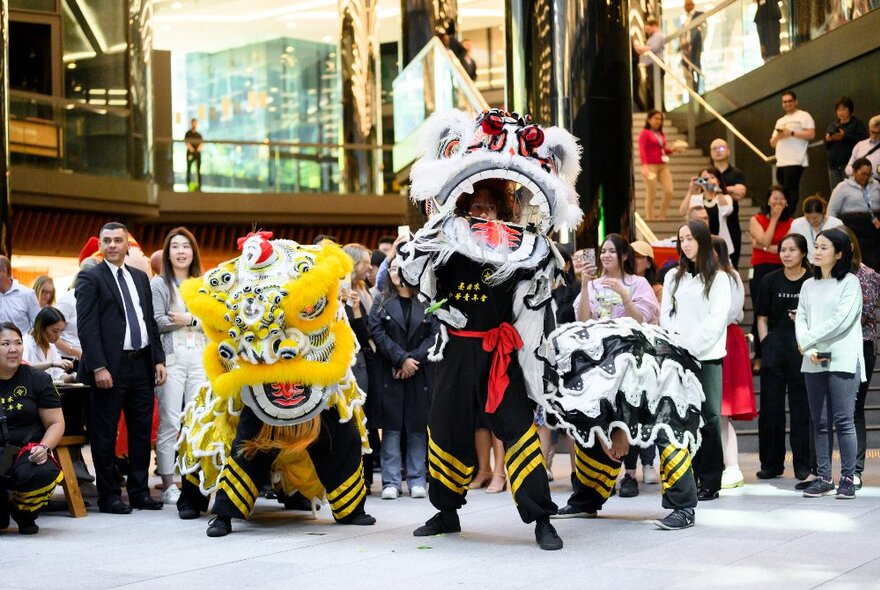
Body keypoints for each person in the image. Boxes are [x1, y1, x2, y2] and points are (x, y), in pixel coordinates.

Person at [76, 221, 167, 514]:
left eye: (118, 240)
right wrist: (99, 367)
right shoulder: (91, 278)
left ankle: (140, 492)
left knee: (141, 433)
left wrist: (158, 359)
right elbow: (87, 328)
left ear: (128, 244)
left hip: (141, 365)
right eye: (107, 240)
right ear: (101, 246)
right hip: (108, 370)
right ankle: (109, 496)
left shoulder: (141, 278)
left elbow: (149, 323)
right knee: (104, 434)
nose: (113, 245)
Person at [573, 234, 660, 498]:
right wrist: (586, 285)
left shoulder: (638, 283)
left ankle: (630, 474)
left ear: (624, 256)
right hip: (599, 356)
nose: (606, 256)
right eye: (602, 251)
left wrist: (624, 296)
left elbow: (642, 320)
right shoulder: (594, 284)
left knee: (626, 413)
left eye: (612, 251)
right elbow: (583, 320)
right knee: (598, 414)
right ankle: (602, 475)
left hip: (629, 355)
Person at [660, 220, 730, 502]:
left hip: (707, 356)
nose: (686, 244)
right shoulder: (673, 277)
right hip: (678, 356)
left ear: (702, 240)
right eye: (682, 239)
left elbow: (716, 320)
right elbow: (665, 315)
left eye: (690, 238)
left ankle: (711, 480)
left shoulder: (719, 278)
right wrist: (676, 343)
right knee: (683, 418)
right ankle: (688, 477)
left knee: (710, 418)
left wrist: (690, 345)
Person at [795, 228, 864, 499]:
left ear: (838, 254)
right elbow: (800, 317)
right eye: (816, 246)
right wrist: (808, 347)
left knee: (844, 420)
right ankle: (823, 477)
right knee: (819, 421)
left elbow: (842, 321)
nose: (817, 251)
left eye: (824, 247)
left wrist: (807, 340)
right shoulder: (808, 285)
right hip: (813, 358)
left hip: (843, 357)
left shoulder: (850, 282)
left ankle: (848, 476)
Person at [368, 256, 439, 500]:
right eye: (394, 269)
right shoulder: (381, 300)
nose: (397, 274)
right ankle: (391, 481)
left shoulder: (426, 300)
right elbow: (377, 333)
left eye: (403, 269)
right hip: (390, 370)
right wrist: (400, 360)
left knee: (418, 427)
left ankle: (417, 479)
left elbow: (435, 336)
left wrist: (412, 361)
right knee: (392, 428)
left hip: (419, 371)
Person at [150, 227, 206, 505]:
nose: (181, 251)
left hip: (200, 359)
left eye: (186, 246)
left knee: (197, 420)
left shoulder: (204, 283)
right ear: (167, 252)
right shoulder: (159, 285)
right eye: (175, 247)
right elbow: (157, 321)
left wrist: (190, 319)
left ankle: (194, 480)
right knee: (170, 421)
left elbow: (213, 321)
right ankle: (169, 483)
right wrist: (189, 319)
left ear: (193, 251)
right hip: (171, 360)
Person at [755, 233, 812, 481]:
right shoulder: (769, 280)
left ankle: (803, 465)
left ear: (803, 253)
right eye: (783, 250)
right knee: (771, 409)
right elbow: (761, 317)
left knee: (802, 409)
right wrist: (766, 344)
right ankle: (771, 463)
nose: (786, 255)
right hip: (775, 348)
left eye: (791, 250)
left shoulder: (812, 281)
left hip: (803, 349)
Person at [0, 322, 64, 535]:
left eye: (18, 343)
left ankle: (24, 511)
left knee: (42, 472)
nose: (13, 349)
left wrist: (44, 448)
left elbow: (56, 422)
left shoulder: (38, 379)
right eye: (5, 343)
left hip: (24, 453)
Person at [838, 226, 879, 490]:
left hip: (860, 345)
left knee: (854, 409)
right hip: (832, 347)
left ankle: (855, 469)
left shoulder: (868, 275)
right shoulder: (824, 278)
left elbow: (864, 313)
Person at [711, 237, 754, 490]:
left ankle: (732, 467)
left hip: (726, 338)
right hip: (716, 338)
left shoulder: (729, 276)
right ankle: (725, 466)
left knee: (723, 410)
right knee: (717, 412)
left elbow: (729, 312)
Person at [748, 185, 793, 372]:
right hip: (761, 268)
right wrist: (773, 219)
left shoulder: (792, 222)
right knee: (761, 312)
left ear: (787, 202)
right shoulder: (756, 219)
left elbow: (788, 247)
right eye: (774, 198)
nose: (778, 202)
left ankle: (780, 354)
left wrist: (763, 245)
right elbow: (768, 241)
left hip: (784, 269)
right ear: (767, 201)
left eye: (782, 198)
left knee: (779, 312)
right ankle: (759, 356)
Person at [828, 157, 880, 271]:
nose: (866, 177)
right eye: (863, 174)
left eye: (869, 174)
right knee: (859, 260)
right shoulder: (842, 187)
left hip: (874, 227)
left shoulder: (876, 185)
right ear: (854, 171)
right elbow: (831, 211)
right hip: (854, 227)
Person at [770, 91, 815, 217]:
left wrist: (792, 133)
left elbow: (811, 134)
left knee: (791, 190)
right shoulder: (780, 121)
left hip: (796, 159)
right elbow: (772, 143)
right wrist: (779, 135)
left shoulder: (804, 116)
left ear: (796, 102)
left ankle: (789, 215)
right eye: (784, 102)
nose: (787, 104)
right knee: (782, 190)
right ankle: (783, 214)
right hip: (781, 161)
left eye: (790, 101)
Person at [677, 167, 734, 254]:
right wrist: (690, 191)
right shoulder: (695, 198)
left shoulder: (725, 198)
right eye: (704, 178)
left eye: (712, 177)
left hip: (719, 242)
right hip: (699, 242)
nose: (708, 181)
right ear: (700, 182)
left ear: (718, 181)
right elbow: (682, 212)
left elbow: (726, 211)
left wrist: (718, 190)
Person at [709, 138, 747, 267]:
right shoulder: (707, 174)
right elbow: (702, 192)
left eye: (721, 148)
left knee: (731, 264)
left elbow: (740, 194)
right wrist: (731, 189)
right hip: (710, 221)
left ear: (728, 151)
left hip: (731, 222)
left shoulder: (737, 173)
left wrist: (716, 188)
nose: (718, 151)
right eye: (714, 149)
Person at [823, 97, 868, 191]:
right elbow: (826, 146)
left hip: (850, 164)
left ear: (850, 109)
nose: (841, 112)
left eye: (844, 109)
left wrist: (844, 137)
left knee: (851, 191)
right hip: (834, 165)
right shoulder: (833, 125)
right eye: (838, 110)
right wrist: (828, 139)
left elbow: (863, 141)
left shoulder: (857, 123)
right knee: (836, 192)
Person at [639, 110, 676, 221]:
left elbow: (663, 150)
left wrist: (672, 149)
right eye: (655, 118)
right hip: (650, 166)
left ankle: (661, 216)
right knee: (652, 193)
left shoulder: (661, 134)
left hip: (662, 166)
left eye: (660, 119)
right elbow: (642, 150)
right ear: (648, 119)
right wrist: (644, 166)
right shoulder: (644, 133)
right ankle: (650, 218)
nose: (658, 121)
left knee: (669, 190)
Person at [23, 307, 75, 383]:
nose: (58, 335)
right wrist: (52, 364)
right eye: (55, 331)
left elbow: (58, 376)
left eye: (61, 331)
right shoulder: (25, 342)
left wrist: (72, 377)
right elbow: (24, 368)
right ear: (42, 327)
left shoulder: (51, 345)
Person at [789, 195, 843, 263]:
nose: (812, 221)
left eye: (815, 218)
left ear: (823, 212)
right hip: (806, 264)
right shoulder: (797, 224)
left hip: (830, 263)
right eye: (808, 218)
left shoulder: (836, 224)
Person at [0, 256, 40, 335]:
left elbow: (39, 324)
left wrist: (25, 341)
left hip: (21, 346)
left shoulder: (27, 294)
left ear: (4, 271)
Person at [633, 18, 665, 111]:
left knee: (656, 88)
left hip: (655, 65)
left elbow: (653, 48)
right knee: (652, 88)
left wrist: (639, 48)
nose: (647, 31)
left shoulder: (658, 35)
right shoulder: (653, 37)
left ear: (654, 26)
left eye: (648, 29)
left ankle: (660, 109)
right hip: (651, 66)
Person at [845, 114, 880, 182]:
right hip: (858, 186)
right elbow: (848, 168)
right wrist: (858, 172)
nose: (874, 135)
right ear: (869, 130)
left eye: (878, 133)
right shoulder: (860, 145)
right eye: (872, 132)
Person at [679, 0, 704, 91]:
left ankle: (697, 89)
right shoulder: (686, 19)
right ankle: (692, 90)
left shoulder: (699, 15)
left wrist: (689, 42)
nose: (685, 7)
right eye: (684, 6)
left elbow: (699, 31)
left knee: (696, 66)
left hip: (695, 46)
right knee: (688, 69)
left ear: (692, 5)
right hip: (686, 49)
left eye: (687, 5)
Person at [184, 118, 203, 191]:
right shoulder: (188, 134)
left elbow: (201, 144)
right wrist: (192, 150)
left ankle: (199, 185)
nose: (194, 124)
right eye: (193, 123)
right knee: (189, 169)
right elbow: (187, 143)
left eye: (195, 123)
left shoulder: (199, 135)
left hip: (197, 154)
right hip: (190, 153)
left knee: (198, 169)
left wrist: (196, 151)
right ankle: (188, 184)